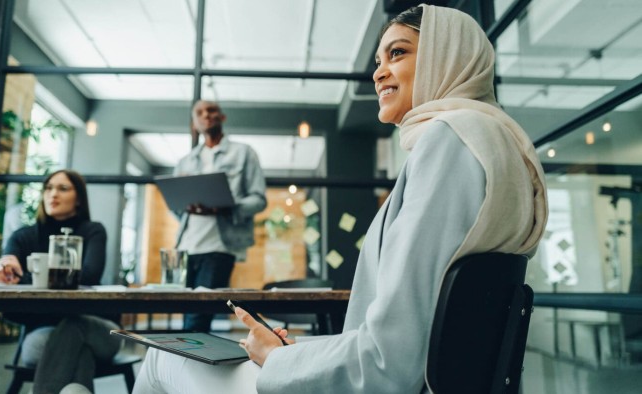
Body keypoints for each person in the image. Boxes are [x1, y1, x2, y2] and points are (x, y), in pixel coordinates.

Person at [133, 4, 548, 393]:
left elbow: (388, 360)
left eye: (397, 53)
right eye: (377, 62)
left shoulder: (450, 143)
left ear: (447, 55)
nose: (379, 73)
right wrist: (300, 353)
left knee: (158, 358)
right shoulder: (494, 144)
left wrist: (280, 360)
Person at [0, 169, 122, 394]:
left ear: (79, 198)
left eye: (63, 188)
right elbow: (5, 272)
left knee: (75, 325)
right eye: (49, 188)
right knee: (78, 350)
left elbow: (90, 275)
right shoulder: (23, 237)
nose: (53, 194)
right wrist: (5, 271)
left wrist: (26, 280)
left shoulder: (92, 231)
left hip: (97, 330)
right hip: (43, 335)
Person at [172, 99, 267, 332]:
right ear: (194, 123)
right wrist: (188, 207)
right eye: (200, 112)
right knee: (185, 315)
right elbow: (175, 206)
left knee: (198, 319)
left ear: (222, 117)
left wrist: (226, 207)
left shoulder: (243, 153)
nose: (206, 115)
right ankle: (188, 365)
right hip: (185, 248)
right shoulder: (185, 162)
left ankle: (192, 365)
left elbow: (259, 199)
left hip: (220, 248)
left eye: (211, 110)